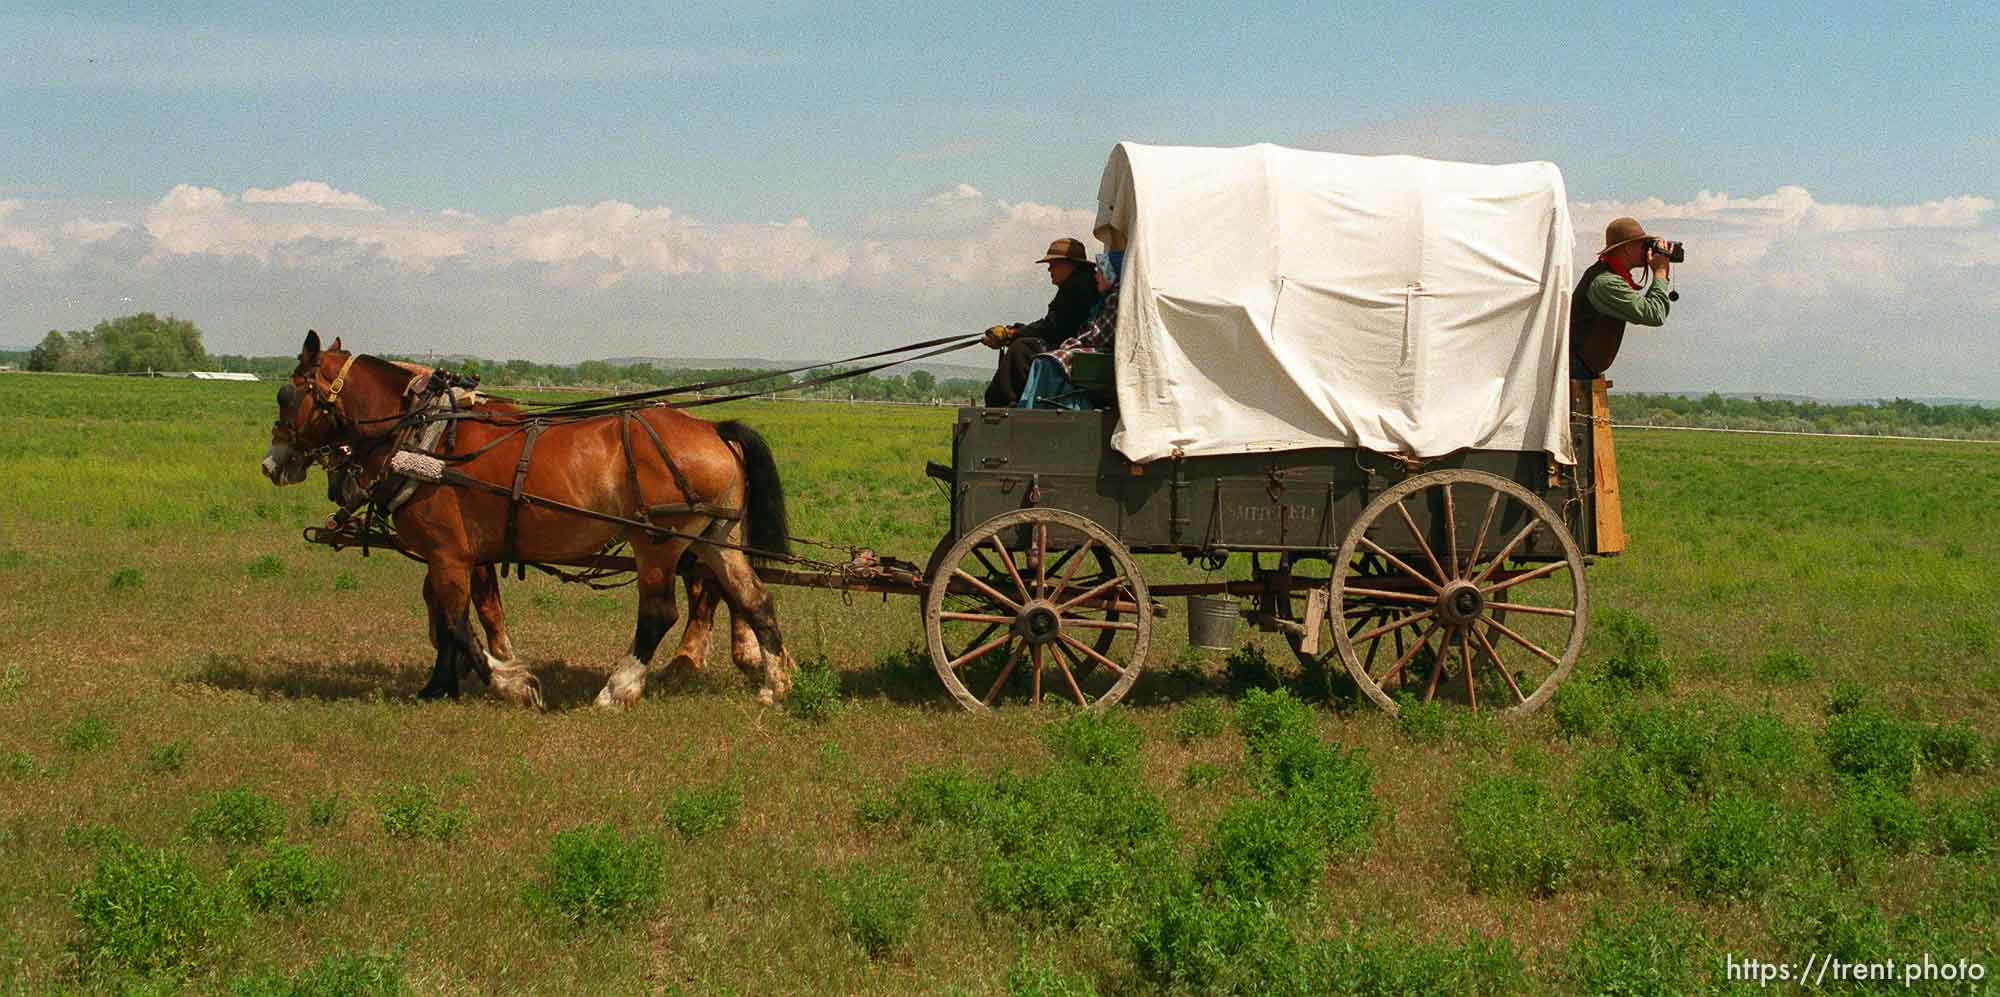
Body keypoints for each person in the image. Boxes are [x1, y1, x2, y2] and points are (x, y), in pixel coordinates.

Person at [981, 237, 1100, 407]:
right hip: (1075, 343)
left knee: (1020, 349)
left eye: (1054, 264)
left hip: (1074, 347)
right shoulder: (1081, 283)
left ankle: (1001, 405)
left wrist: (1013, 334)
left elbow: (1054, 327)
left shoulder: (1077, 286)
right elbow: (1052, 324)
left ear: (1070, 264)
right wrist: (1017, 331)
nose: (1049, 269)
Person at [1570, 216, 1673, 381]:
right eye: (1642, 245)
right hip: (1577, 369)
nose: (1647, 250)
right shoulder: (1606, 282)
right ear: (1627, 248)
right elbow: (1654, 314)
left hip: (1582, 367)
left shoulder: (1608, 275)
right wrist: (1660, 273)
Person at [1019, 250, 1122, 409]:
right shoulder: (1104, 297)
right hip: (1096, 353)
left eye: (1101, 272)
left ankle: (1036, 408)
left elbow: (1101, 337)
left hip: (1101, 357)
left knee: (1043, 360)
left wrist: (1016, 333)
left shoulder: (1113, 297)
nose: (1096, 276)